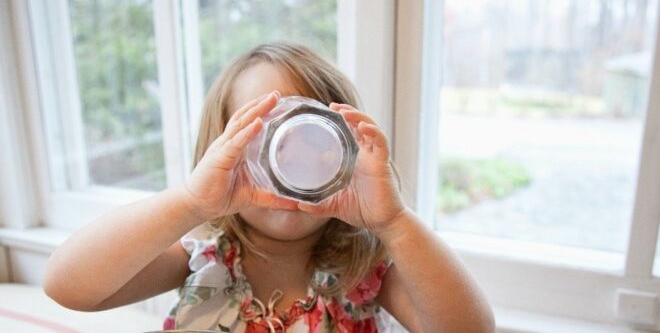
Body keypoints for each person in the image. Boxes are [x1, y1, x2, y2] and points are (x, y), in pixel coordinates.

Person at [43, 42, 495, 332]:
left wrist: (395, 222)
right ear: (218, 152)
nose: (290, 166)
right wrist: (190, 202)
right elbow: (68, 287)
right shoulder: (200, 260)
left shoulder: (367, 273)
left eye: (315, 142)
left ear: (346, 150)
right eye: (263, 138)